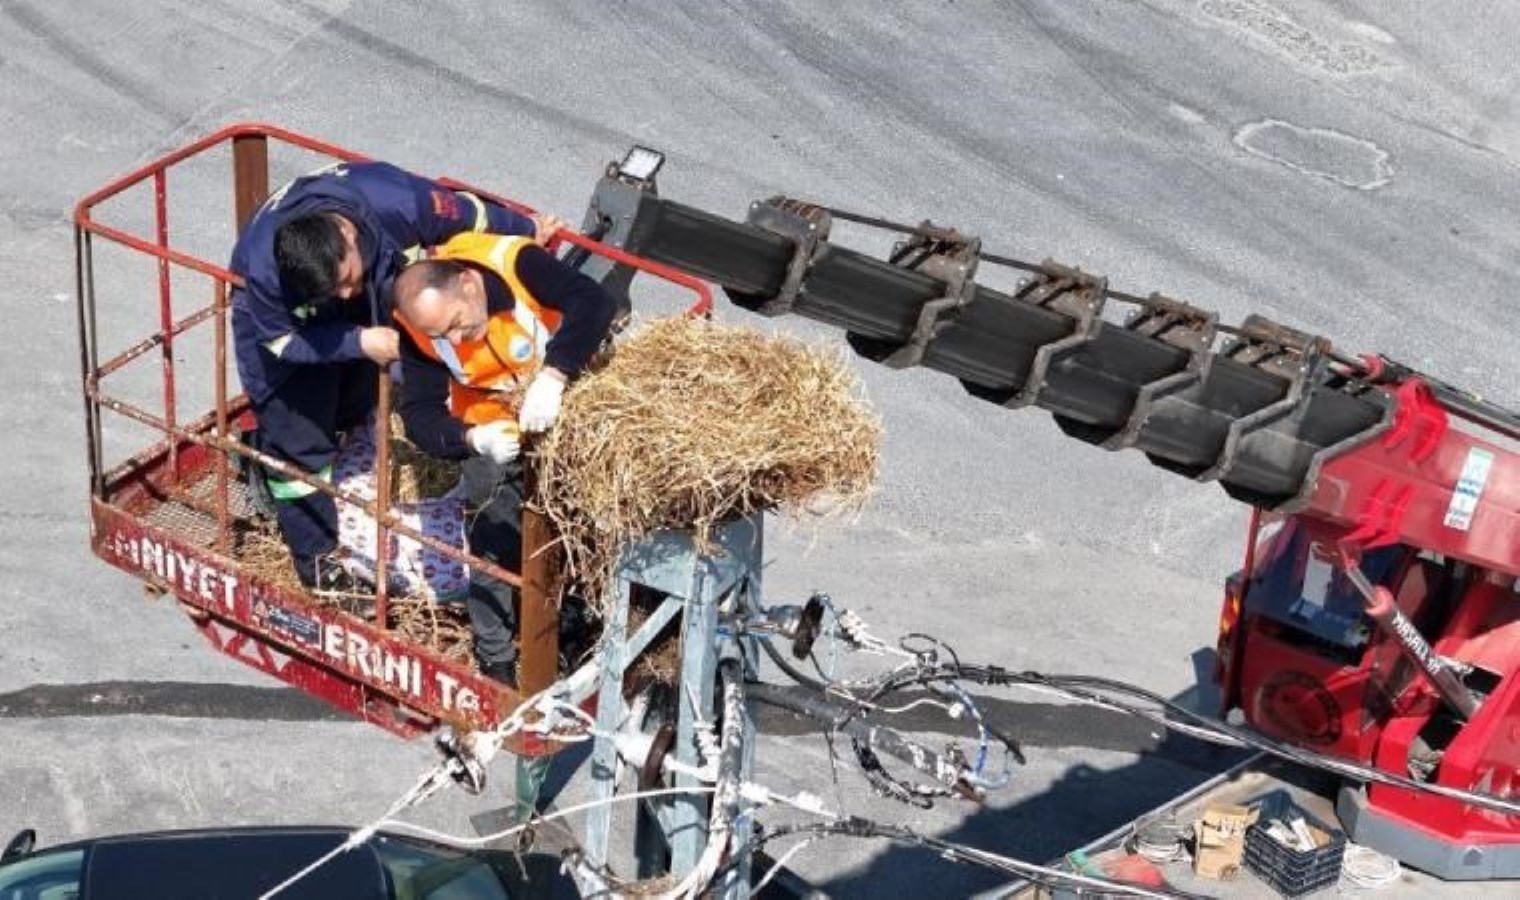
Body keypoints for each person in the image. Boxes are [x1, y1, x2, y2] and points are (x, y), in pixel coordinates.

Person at [229, 159, 563, 592]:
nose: (346, 294)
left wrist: (523, 229)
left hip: (364, 290)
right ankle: (320, 569)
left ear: (348, 235)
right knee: (298, 449)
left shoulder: (397, 202)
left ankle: (343, 429)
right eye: (334, 291)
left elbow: (468, 214)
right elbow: (280, 342)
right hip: (289, 332)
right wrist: (360, 341)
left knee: (364, 392)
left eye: (346, 280)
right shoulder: (265, 270)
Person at [391, 231, 617, 684]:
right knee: (493, 542)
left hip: (561, 413)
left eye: (457, 323)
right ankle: (495, 658)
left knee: (577, 527)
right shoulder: (419, 326)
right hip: (492, 431)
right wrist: (472, 439)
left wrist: (554, 375)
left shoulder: (517, 264)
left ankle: (572, 628)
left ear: (470, 285)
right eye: (442, 334)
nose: (455, 337)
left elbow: (593, 302)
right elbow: (419, 413)